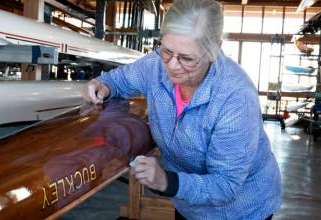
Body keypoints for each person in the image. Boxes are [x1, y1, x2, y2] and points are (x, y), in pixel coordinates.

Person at [82, 0, 282, 219]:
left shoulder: (235, 99)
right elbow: (120, 80)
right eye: (166, 51)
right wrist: (103, 85)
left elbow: (225, 186)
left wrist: (166, 181)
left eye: (187, 58)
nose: (172, 65)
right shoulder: (157, 64)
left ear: (214, 50)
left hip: (241, 210)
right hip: (187, 202)